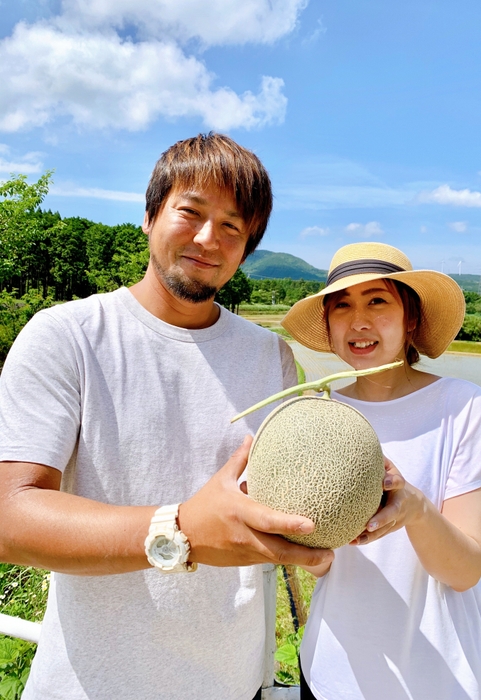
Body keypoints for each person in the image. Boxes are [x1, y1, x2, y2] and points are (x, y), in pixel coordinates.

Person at [0, 133, 332, 700]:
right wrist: (181, 530)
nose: (209, 239)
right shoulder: (67, 336)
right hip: (94, 685)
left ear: (248, 245)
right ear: (152, 215)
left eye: (233, 226)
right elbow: (10, 514)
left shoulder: (269, 355)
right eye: (191, 211)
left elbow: (284, 493)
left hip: (235, 683)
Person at [281, 242, 481, 700]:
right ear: (327, 324)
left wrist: (415, 510)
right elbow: (322, 564)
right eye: (341, 305)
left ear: (410, 318)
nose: (359, 320)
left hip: (440, 682)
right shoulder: (316, 415)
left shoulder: (462, 406)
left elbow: (465, 570)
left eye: (377, 301)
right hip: (331, 675)